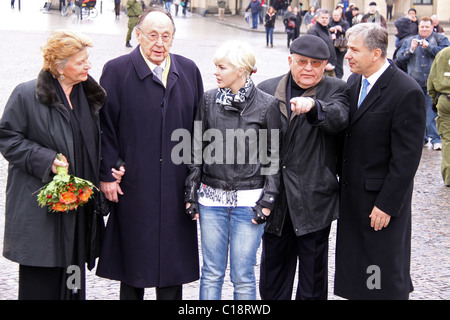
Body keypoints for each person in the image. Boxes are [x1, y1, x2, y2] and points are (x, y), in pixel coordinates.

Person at [96, 7, 204, 300]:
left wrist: (196, 179)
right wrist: (108, 171)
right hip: (134, 183)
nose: (159, 43)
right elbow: (104, 127)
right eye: (152, 35)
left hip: (175, 184)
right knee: (133, 266)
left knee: (173, 268)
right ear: (138, 35)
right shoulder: (116, 70)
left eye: (166, 36)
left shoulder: (189, 70)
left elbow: (198, 129)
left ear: (173, 38)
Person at [0, 30, 109, 300]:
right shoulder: (27, 95)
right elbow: (7, 138)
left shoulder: (89, 96)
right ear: (60, 67)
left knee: (73, 281)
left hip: (78, 209)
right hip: (41, 213)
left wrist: (110, 167)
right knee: (41, 284)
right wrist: (45, 159)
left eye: (87, 59)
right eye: (81, 61)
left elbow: (99, 141)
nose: (88, 65)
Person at [335, 22, 426, 300]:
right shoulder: (353, 81)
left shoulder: (405, 91)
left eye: (353, 50)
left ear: (375, 54)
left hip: (379, 203)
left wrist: (386, 204)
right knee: (355, 269)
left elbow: (407, 159)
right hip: (352, 197)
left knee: (380, 271)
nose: (346, 56)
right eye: (347, 49)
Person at [185, 40, 281, 300]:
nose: (215, 72)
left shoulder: (266, 105)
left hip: (249, 203)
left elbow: (273, 156)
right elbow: (196, 147)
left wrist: (268, 200)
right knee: (212, 272)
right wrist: (190, 192)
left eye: (221, 67)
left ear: (241, 70)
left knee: (243, 275)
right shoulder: (208, 100)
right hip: (211, 200)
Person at [258, 35, 350, 300]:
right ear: (290, 61)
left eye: (315, 63)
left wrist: (314, 107)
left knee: (312, 280)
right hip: (275, 200)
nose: (308, 68)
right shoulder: (267, 88)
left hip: (313, 201)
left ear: (326, 66)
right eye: (302, 62)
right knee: (273, 278)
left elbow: (338, 117)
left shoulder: (336, 89)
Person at [397, 16, 450, 151]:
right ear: (418, 27)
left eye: (427, 27)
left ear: (432, 27)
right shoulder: (409, 40)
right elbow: (399, 58)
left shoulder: (440, 39)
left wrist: (429, 47)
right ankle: (422, 138)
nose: (424, 29)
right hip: (414, 83)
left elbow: (445, 54)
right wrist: (411, 49)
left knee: (432, 113)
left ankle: (436, 139)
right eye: (422, 27)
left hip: (433, 83)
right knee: (416, 113)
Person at [427, 47, 450, 187]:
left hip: (445, 100)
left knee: (447, 139)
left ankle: (449, 177)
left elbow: (431, 79)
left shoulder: (443, 53)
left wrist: (433, 98)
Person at [307, 9, 337, 77]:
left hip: (330, 67)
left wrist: (333, 62)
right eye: (322, 17)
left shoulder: (327, 30)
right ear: (317, 18)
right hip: (321, 68)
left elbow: (330, 47)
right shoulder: (313, 31)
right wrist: (324, 64)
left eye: (326, 18)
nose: (324, 20)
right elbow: (313, 50)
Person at [329, 9, 349, 79]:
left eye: (337, 15)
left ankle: (339, 76)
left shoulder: (345, 23)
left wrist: (341, 30)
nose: (336, 17)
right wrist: (330, 30)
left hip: (341, 46)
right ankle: (333, 75)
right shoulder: (329, 23)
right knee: (332, 61)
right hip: (331, 45)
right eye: (334, 15)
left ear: (340, 16)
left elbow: (348, 32)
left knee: (339, 62)